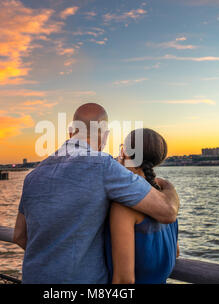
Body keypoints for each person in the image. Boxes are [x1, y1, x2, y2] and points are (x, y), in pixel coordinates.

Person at [13, 103, 179, 283]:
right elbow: (168, 211)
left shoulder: (32, 177)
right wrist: (166, 185)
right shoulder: (103, 166)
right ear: (105, 136)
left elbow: (19, 235)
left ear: (70, 133)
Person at [105, 129, 179, 284]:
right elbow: (176, 252)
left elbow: (124, 280)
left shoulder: (124, 207)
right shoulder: (166, 199)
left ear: (125, 153)